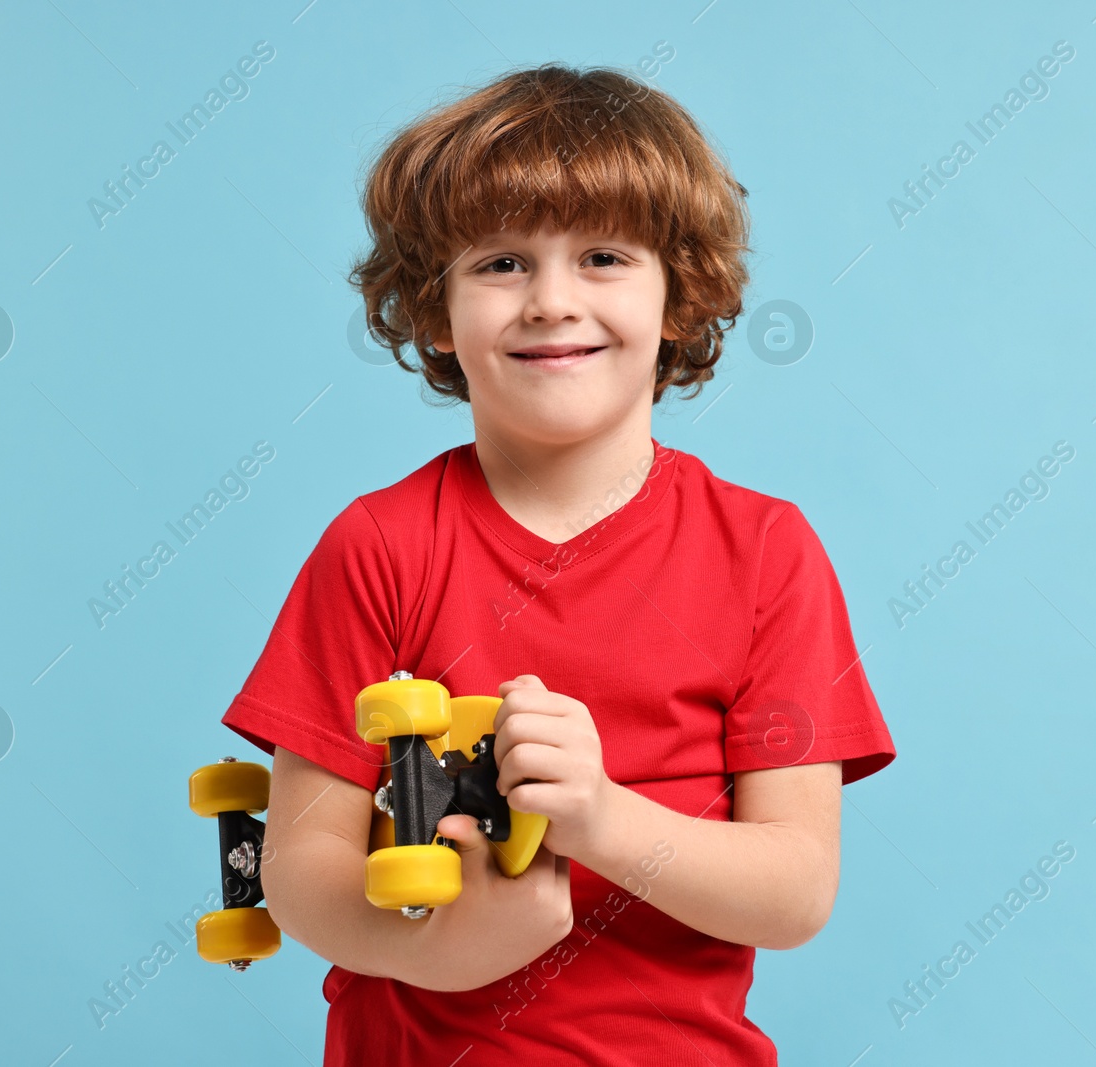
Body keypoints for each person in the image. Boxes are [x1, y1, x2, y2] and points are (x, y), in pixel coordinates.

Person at [220, 61, 896, 1065]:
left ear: (681, 295)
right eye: (499, 263)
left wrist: (602, 820)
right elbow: (302, 862)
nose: (549, 301)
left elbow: (794, 889)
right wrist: (450, 951)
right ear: (434, 312)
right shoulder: (377, 546)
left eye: (603, 257)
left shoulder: (764, 552)